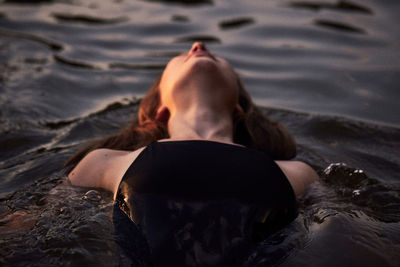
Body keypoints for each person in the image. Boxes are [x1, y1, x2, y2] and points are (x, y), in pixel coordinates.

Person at [65, 42, 319, 266]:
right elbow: (34, 223)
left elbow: (345, 234)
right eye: (179, 57)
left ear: (239, 107)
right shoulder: (104, 161)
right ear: (159, 109)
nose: (198, 45)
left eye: (216, 56)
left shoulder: (299, 172)